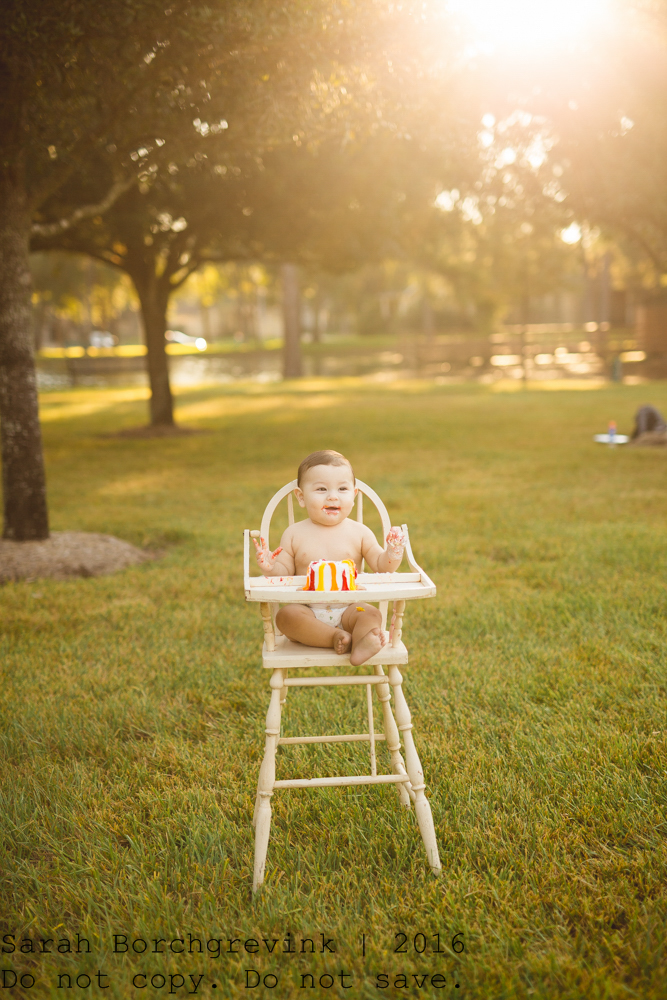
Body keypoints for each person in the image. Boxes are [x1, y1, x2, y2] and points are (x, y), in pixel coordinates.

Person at [253, 450, 406, 665]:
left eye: (342, 488)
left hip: (350, 609)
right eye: (321, 489)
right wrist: (270, 567)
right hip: (307, 609)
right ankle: (334, 638)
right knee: (285, 617)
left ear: (353, 495)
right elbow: (284, 573)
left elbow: (383, 567)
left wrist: (393, 552)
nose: (332, 496)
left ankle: (362, 641)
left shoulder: (360, 532)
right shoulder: (294, 534)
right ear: (301, 497)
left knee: (370, 614)